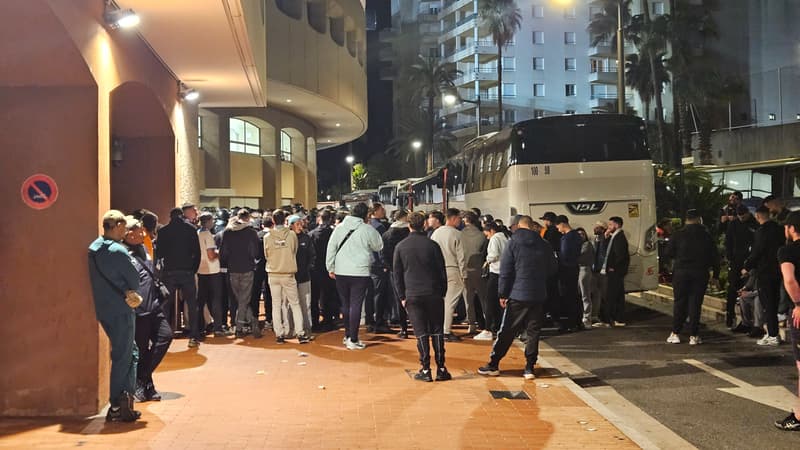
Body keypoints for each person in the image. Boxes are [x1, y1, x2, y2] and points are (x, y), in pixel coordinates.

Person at [477, 216, 558, 379]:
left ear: (519, 226)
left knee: (506, 330)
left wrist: (503, 293)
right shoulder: (544, 244)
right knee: (533, 331)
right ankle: (529, 367)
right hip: (538, 294)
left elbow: (505, 271)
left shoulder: (512, 243)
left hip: (517, 294)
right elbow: (552, 269)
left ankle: (494, 364)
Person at [88, 210, 141, 422]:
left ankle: (122, 401)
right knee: (124, 356)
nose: (126, 230)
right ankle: (119, 404)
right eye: (124, 226)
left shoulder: (94, 248)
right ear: (117, 225)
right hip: (122, 309)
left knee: (129, 352)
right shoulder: (118, 251)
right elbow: (134, 281)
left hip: (104, 308)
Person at [393, 212, 451, 382]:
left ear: (409, 226)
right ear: (424, 225)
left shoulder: (401, 247)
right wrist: (442, 292)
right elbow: (442, 271)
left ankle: (425, 369)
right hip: (433, 293)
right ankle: (441, 367)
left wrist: (402, 296)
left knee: (420, 332)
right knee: (437, 330)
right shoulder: (432, 245)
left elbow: (397, 275)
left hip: (412, 294)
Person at [121, 217, 173, 402]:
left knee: (165, 337)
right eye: (136, 231)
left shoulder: (145, 248)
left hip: (154, 306)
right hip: (138, 309)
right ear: (127, 233)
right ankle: (147, 386)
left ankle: (141, 378)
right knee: (142, 349)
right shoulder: (122, 253)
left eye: (142, 230)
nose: (141, 234)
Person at [326, 202, 384, 350]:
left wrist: (330, 267)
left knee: (345, 304)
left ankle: (347, 336)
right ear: (366, 215)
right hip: (359, 272)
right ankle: (353, 338)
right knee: (356, 305)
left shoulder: (339, 228)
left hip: (340, 271)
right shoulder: (367, 229)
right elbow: (378, 246)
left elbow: (331, 248)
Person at [665, 209, 720, 345]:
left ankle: (676, 333)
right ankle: (694, 335)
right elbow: (715, 257)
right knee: (695, 304)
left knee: (680, 302)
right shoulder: (706, 235)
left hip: (681, 272)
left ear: (686, 219)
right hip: (700, 272)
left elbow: (668, 253)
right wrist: (716, 276)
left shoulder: (678, 234)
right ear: (698, 219)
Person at [156, 207, 201, 347]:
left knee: (165, 304)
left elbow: (159, 253)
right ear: (182, 216)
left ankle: (162, 335)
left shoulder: (163, 231)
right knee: (192, 304)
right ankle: (194, 336)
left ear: (170, 217)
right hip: (187, 271)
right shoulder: (191, 230)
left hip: (169, 271)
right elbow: (197, 253)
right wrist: (193, 269)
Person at [743, 206, 786, 346]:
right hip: (779, 270)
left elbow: (757, 251)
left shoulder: (761, 232)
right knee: (773, 301)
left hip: (765, 271)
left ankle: (773, 334)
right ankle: (772, 333)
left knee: (767, 304)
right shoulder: (779, 229)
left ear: (758, 216)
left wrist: (747, 266)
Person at [774, 211, 800, 431]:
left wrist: (799, 304)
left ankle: (799, 416)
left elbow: (790, 280)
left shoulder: (787, 251)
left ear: (792, 229)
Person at [265, 210, 308, 344]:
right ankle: (300, 334)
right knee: (295, 304)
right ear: (285, 220)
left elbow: (266, 254)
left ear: (273, 220)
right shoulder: (291, 235)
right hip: (288, 274)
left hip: (273, 274)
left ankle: (279, 335)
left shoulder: (267, 237)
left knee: (276, 304)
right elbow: (294, 251)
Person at [220, 209, 262, 339]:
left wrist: (224, 266)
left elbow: (224, 250)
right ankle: (242, 326)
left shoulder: (227, 232)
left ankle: (249, 323)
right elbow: (255, 251)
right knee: (244, 298)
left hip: (232, 268)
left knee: (240, 298)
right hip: (247, 267)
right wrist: (254, 260)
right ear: (248, 218)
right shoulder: (251, 232)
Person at [430, 208, 467, 342]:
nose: (460, 220)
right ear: (452, 218)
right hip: (453, 269)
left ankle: (439, 328)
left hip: (437, 271)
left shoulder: (435, 233)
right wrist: (464, 274)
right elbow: (461, 256)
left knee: (441, 301)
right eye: (458, 218)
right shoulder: (457, 234)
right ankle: (445, 331)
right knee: (450, 302)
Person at [725, 204, 758, 330]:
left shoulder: (754, 224)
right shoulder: (733, 224)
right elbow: (728, 241)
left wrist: (750, 263)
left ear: (748, 213)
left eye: (743, 215)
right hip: (735, 261)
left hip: (748, 261)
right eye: (739, 216)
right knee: (732, 288)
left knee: (747, 289)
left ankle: (747, 321)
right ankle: (730, 315)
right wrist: (729, 256)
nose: (741, 218)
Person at [476, 221, 508, 340]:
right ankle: (499, 326)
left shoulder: (495, 238)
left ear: (492, 231)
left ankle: (488, 329)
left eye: (487, 234)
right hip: (504, 273)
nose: (487, 237)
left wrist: (487, 261)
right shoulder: (506, 237)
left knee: (490, 301)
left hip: (495, 273)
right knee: (501, 302)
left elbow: (493, 255)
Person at [382, 209, 411, 338]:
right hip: (411, 269)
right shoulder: (409, 233)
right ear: (405, 218)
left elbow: (383, 255)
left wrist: (391, 267)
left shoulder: (387, 234)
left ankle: (403, 328)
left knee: (399, 298)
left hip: (395, 271)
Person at [596, 216, 630, 327]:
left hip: (615, 271)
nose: (608, 227)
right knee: (616, 294)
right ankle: (617, 318)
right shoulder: (614, 236)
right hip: (613, 270)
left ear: (616, 225)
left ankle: (611, 319)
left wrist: (613, 267)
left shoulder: (619, 237)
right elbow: (608, 251)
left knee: (612, 295)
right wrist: (606, 238)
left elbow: (620, 255)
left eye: (610, 225)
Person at [197, 212, 226, 337]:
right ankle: (218, 328)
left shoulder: (197, 233)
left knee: (201, 300)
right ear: (208, 221)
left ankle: (199, 327)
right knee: (215, 299)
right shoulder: (208, 235)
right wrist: (219, 253)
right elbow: (211, 255)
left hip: (200, 270)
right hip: (212, 270)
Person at [309, 210, 338, 331]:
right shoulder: (333, 233)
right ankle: (328, 321)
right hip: (329, 268)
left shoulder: (311, 234)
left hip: (315, 269)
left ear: (319, 218)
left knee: (314, 297)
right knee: (329, 295)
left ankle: (315, 322)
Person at [460, 211, 487, 335]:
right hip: (479, 270)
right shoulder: (482, 235)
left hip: (465, 269)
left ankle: (471, 323)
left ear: (465, 221)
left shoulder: (460, 235)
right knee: (483, 298)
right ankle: (487, 322)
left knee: (468, 299)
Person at [290, 214, 315, 339]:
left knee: (305, 304)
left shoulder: (306, 238)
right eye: (297, 224)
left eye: (301, 223)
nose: (300, 226)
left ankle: (307, 328)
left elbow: (312, 255)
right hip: (290, 277)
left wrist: (309, 267)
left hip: (304, 277)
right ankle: (291, 329)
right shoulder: (288, 238)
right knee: (290, 305)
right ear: (291, 225)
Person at [555, 215, 582, 331]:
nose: (558, 229)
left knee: (568, 296)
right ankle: (577, 321)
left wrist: (556, 255)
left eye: (558, 227)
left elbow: (564, 254)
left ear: (562, 224)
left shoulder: (567, 238)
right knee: (575, 295)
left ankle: (570, 323)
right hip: (574, 267)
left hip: (566, 270)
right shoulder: (577, 235)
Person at [368, 202, 391, 333]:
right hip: (378, 265)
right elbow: (381, 248)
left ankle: (371, 321)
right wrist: (384, 264)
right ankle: (379, 322)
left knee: (370, 294)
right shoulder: (379, 227)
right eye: (381, 209)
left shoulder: (367, 225)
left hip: (369, 264)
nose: (384, 211)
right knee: (379, 294)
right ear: (375, 211)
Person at [576, 228, 595, 329]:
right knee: (579, 294)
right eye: (578, 234)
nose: (580, 236)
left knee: (585, 295)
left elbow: (580, 256)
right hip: (577, 269)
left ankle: (587, 318)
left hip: (584, 269)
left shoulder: (587, 244)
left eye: (582, 234)